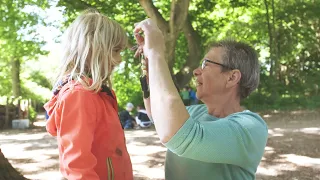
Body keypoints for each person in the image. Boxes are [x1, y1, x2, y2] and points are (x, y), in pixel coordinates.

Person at [133, 19, 268, 180]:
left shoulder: (250, 127)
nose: (196, 71)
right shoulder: (195, 111)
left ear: (232, 78)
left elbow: (182, 136)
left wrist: (156, 52)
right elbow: (157, 114)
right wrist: (149, 65)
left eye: (205, 64)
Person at [43, 9, 133, 180]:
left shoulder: (99, 94)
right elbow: (77, 165)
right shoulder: (79, 96)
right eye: (115, 50)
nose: (120, 59)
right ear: (93, 49)